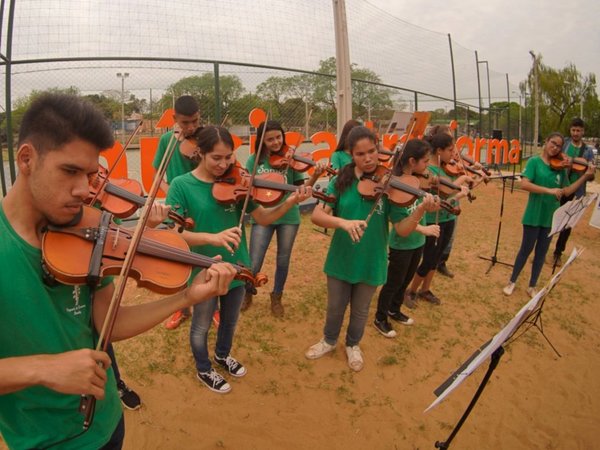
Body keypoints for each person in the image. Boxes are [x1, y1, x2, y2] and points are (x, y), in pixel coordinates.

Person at [0, 93, 236, 450]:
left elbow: (110, 324)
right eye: (69, 171)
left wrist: (186, 296)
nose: (84, 190)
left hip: (108, 423)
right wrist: (43, 369)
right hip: (45, 442)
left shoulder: (88, 227)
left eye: (91, 175)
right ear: (27, 158)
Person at [159, 126, 311, 393]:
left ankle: (221, 355)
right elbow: (174, 233)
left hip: (238, 265)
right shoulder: (182, 185)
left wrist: (290, 201)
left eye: (229, 157)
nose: (224, 164)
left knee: (230, 321)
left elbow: (263, 217)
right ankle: (204, 368)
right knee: (201, 324)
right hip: (202, 268)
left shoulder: (238, 182)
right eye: (216, 158)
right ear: (200, 153)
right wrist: (212, 238)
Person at [305, 126, 438, 369]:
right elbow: (317, 215)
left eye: (372, 152)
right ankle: (329, 340)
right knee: (335, 307)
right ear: (351, 155)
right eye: (360, 154)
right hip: (341, 257)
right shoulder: (340, 181)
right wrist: (343, 223)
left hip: (372, 258)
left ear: (378, 150)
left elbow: (402, 229)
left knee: (360, 310)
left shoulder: (391, 185)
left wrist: (419, 210)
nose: (368, 158)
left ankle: (353, 344)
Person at [241, 120, 326, 317]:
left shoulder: (291, 159)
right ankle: (247, 292)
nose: (276, 142)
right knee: (254, 261)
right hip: (263, 216)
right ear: (262, 141)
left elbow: (303, 188)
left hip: (288, 216)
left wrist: (316, 174)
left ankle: (277, 296)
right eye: (270, 139)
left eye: (278, 137)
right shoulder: (253, 161)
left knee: (283, 260)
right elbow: (249, 189)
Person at [503, 132, 595, 297]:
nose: (556, 148)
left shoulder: (560, 168)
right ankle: (512, 281)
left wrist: (585, 177)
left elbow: (566, 190)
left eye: (559, 146)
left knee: (542, 253)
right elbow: (524, 184)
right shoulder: (534, 162)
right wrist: (549, 191)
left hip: (550, 217)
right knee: (526, 250)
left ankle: (532, 285)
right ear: (546, 142)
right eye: (553, 143)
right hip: (533, 214)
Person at [374, 139, 440, 335]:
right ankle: (380, 317)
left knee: (406, 281)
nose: (428, 166)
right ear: (412, 161)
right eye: (425, 161)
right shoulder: (393, 186)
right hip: (401, 243)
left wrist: (432, 203)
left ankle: (394, 309)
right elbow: (399, 222)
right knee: (393, 282)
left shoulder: (416, 181)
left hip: (416, 242)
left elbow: (419, 207)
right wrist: (424, 229)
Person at [152, 95, 202, 330]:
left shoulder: (205, 139)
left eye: (194, 121)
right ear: (174, 119)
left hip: (201, 203)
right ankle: (182, 309)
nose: (191, 127)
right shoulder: (165, 140)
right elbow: (158, 175)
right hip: (177, 205)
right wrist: (171, 192)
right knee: (179, 256)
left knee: (205, 255)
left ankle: (209, 307)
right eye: (185, 123)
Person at [406, 132, 471, 307]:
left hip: (448, 217)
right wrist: (463, 180)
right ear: (439, 150)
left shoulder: (445, 167)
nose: (453, 154)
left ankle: (425, 289)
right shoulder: (430, 171)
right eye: (450, 150)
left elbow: (453, 192)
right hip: (434, 219)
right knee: (428, 258)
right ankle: (411, 291)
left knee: (436, 257)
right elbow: (448, 191)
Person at [550, 118, 595, 267]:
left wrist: (590, 171)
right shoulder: (564, 145)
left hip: (577, 191)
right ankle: (543, 248)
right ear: (570, 130)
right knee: (551, 218)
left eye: (578, 130)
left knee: (567, 224)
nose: (575, 133)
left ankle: (558, 253)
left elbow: (591, 177)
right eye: (573, 130)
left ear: (583, 132)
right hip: (561, 187)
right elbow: (554, 162)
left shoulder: (588, 151)